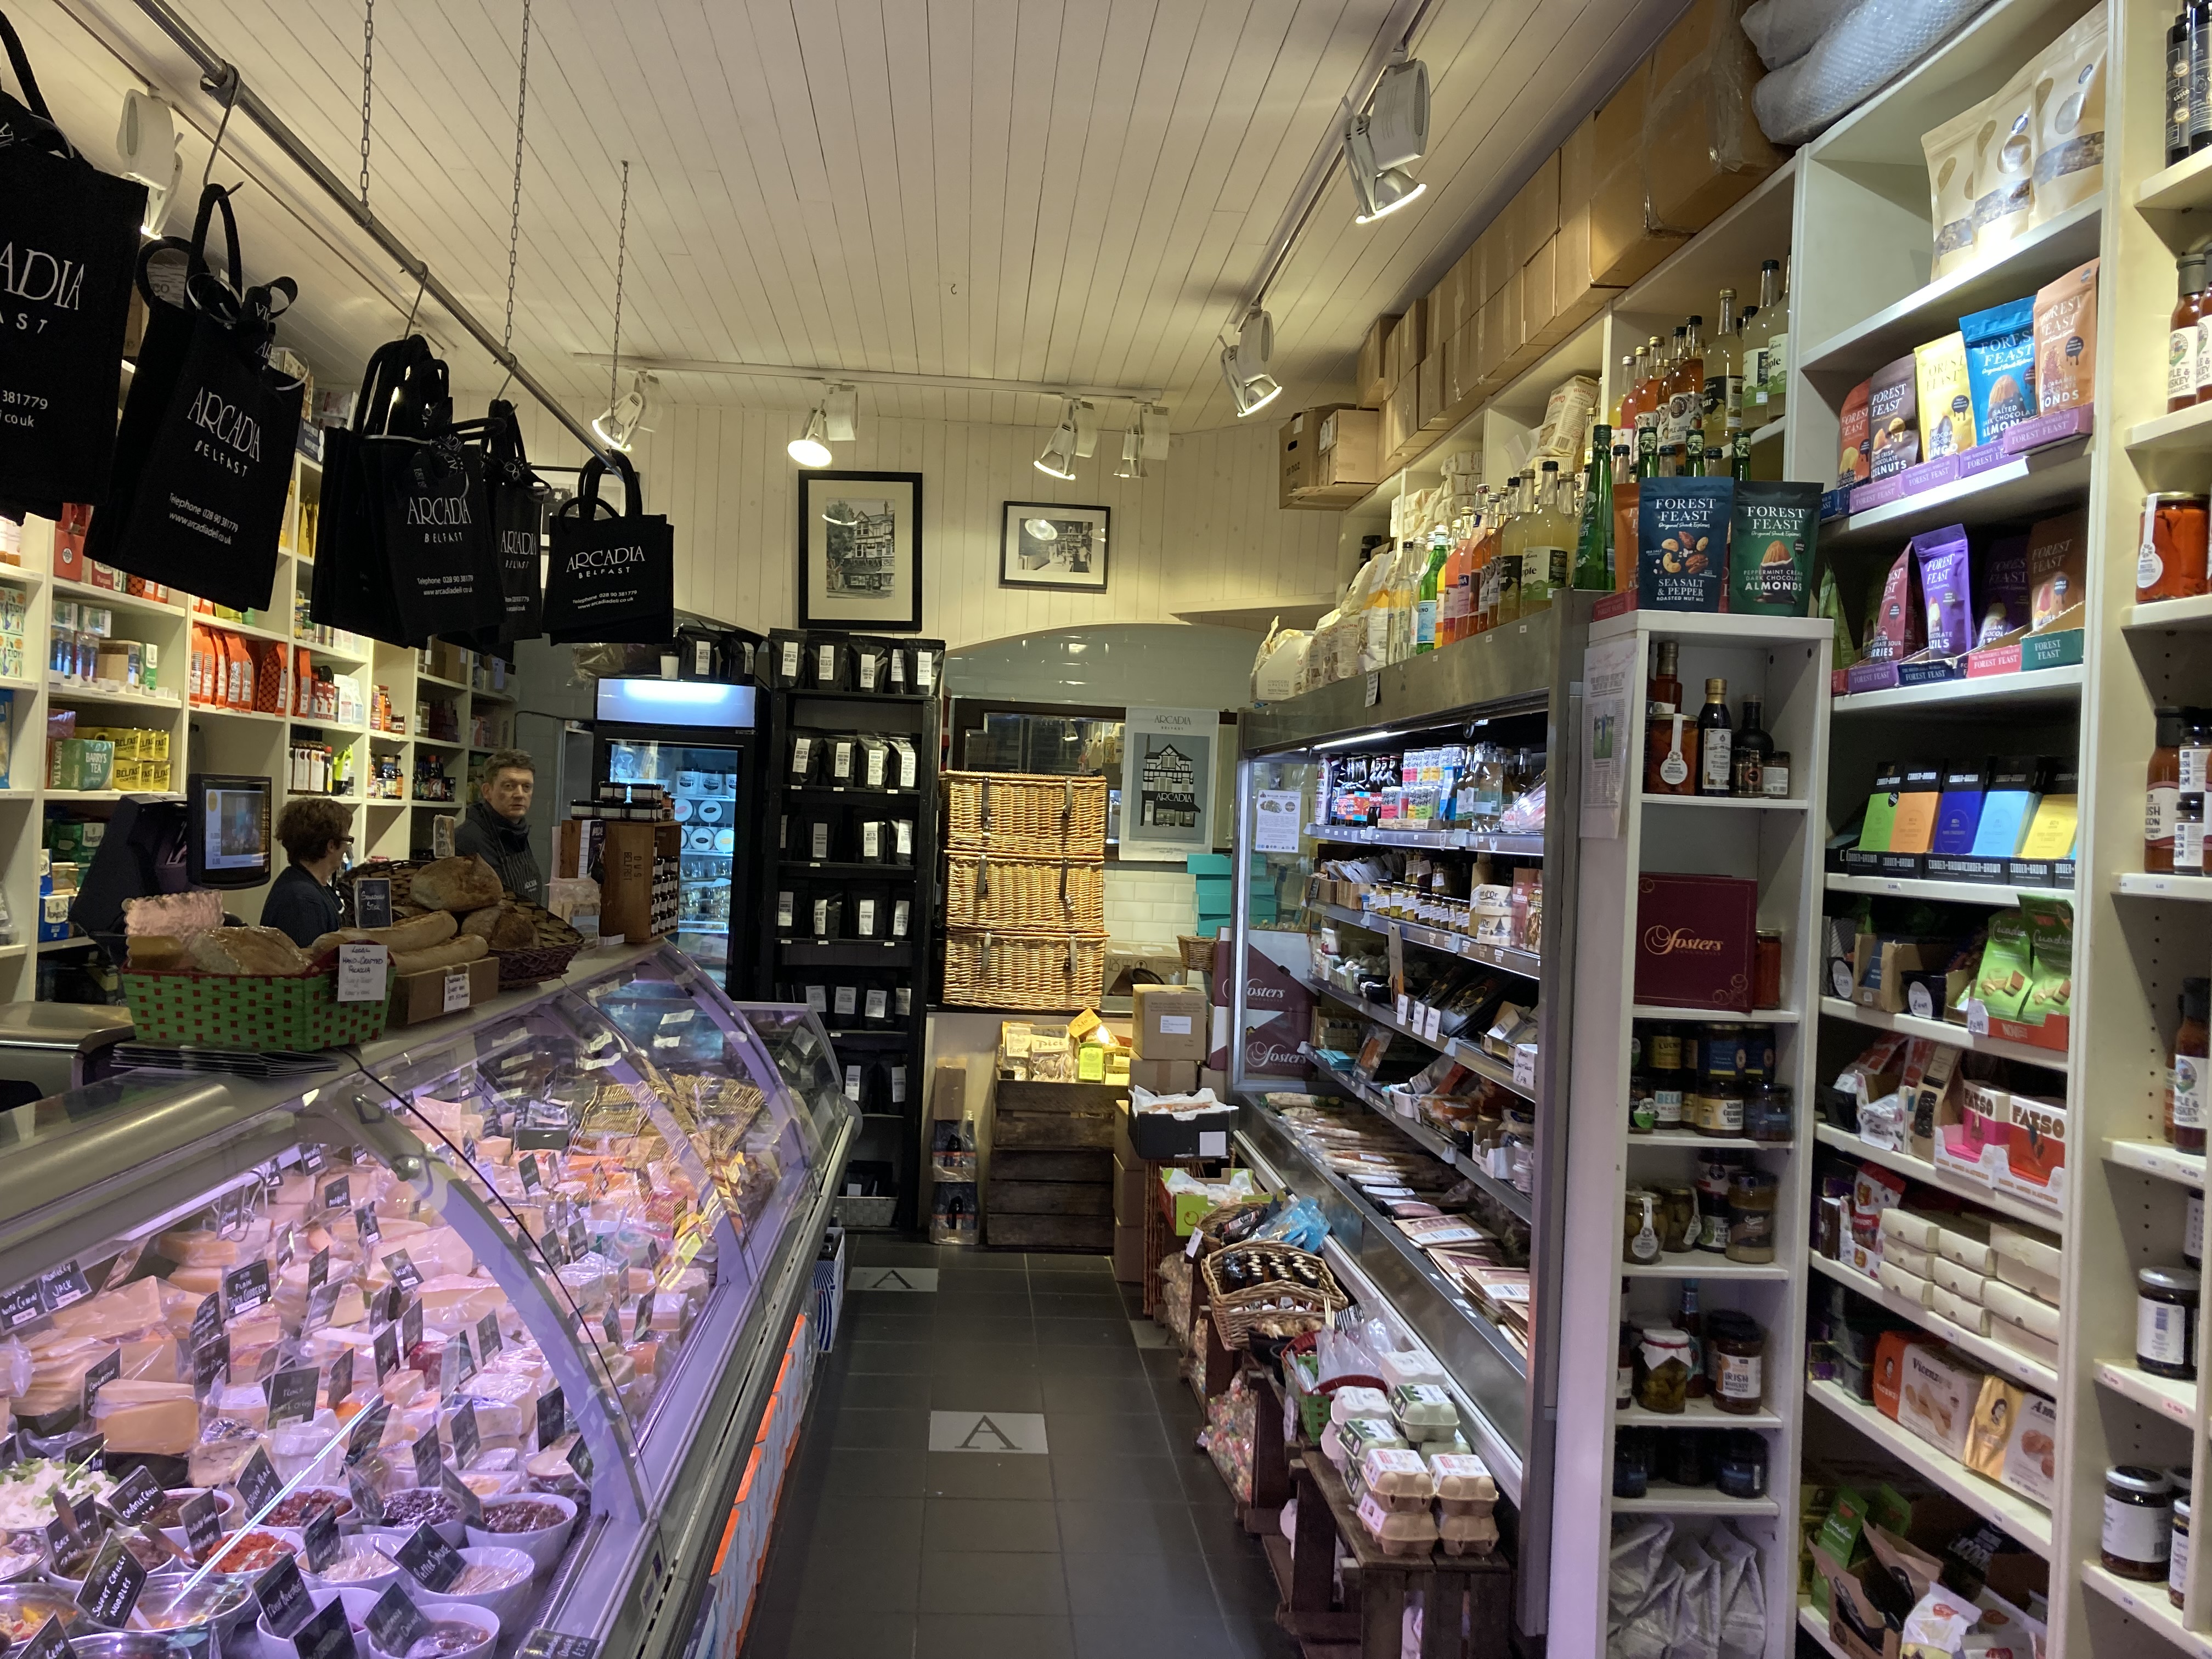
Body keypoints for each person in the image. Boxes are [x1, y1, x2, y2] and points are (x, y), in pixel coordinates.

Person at [455, 748, 546, 904]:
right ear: (487, 791)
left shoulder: (518, 831)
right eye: (509, 786)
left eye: (526, 787)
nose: (520, 794)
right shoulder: (465, 840)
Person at [262, 798, 351, 947]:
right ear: (331, 846)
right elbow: (308, 959)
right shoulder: (302, 901)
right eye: (347, 840)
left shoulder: (307, 883)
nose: (347, 848)